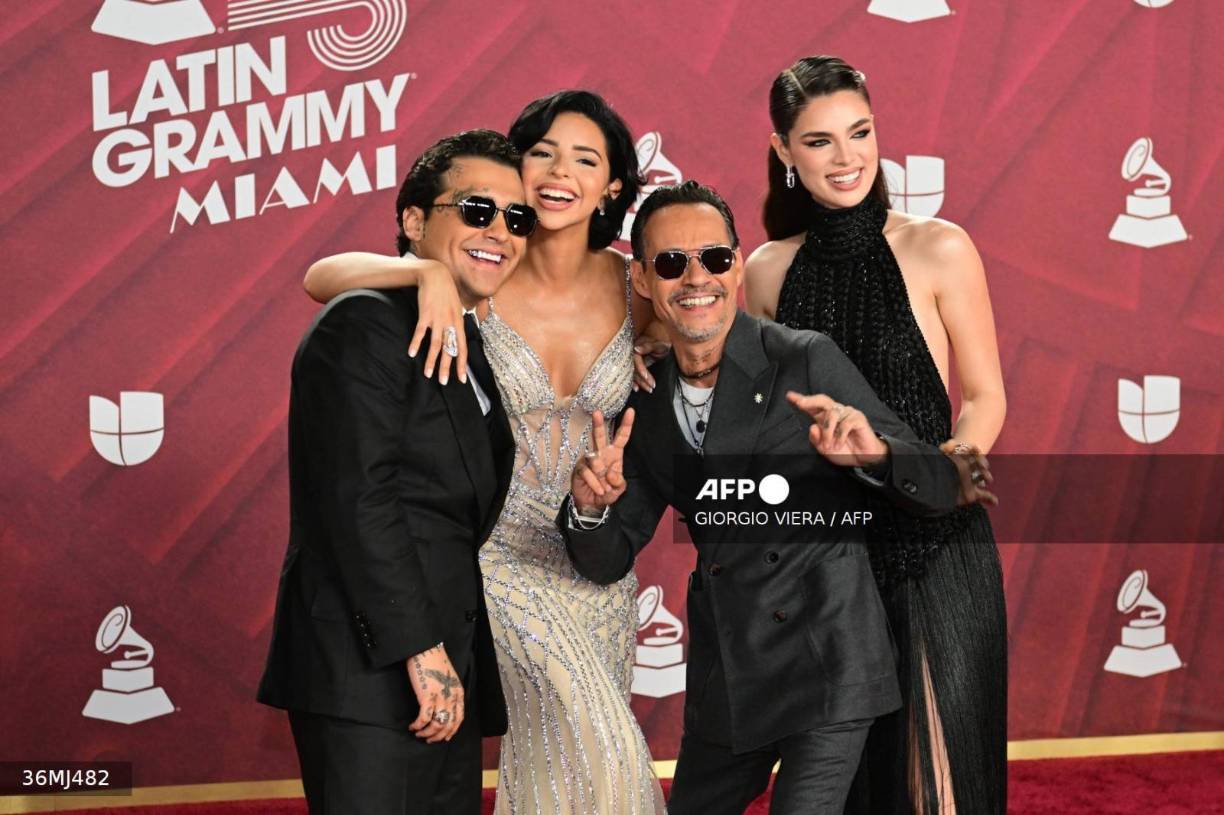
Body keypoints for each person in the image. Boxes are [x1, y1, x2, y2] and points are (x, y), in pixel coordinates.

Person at [561, 180, 997, 815]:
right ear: (645, 278)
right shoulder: (646, 403)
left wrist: (874, 453)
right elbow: (605, 558)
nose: (695, 279)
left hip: (830, 665)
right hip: (730, 674)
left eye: (712, 257)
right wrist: (590, 508)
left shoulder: (803, 359)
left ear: (737, 265)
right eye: (671, 263)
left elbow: (941, 485)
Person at [300, 91, 666, 814]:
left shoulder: (636, 283)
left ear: (613, 185)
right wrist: (420, 271)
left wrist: (664, 354)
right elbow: (321, 279)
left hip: (591, 569)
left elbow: (711, 331)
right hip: (495, 562)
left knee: (565, 770)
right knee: (605, 747)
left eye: (585, 158)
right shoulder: (478, 268)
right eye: (542, 153)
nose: (559, 171)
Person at [743, 56, 1008, 814]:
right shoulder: (766, 272)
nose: (847, 156)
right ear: (784, 151)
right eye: (819, 141)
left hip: (939, 542)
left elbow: (985, 396)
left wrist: (940, 478)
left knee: (943, 780)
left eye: (860, 132)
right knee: (856, 783)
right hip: (832, 559)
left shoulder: (940, 247)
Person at [256, 129, 528, 814]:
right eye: (476, 210)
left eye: (515, 217)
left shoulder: (461, 334)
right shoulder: (367, 322)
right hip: (372, 667)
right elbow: (359, 499)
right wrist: (421, 650)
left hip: (439, 669)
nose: (499, 229)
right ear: (414, 220)